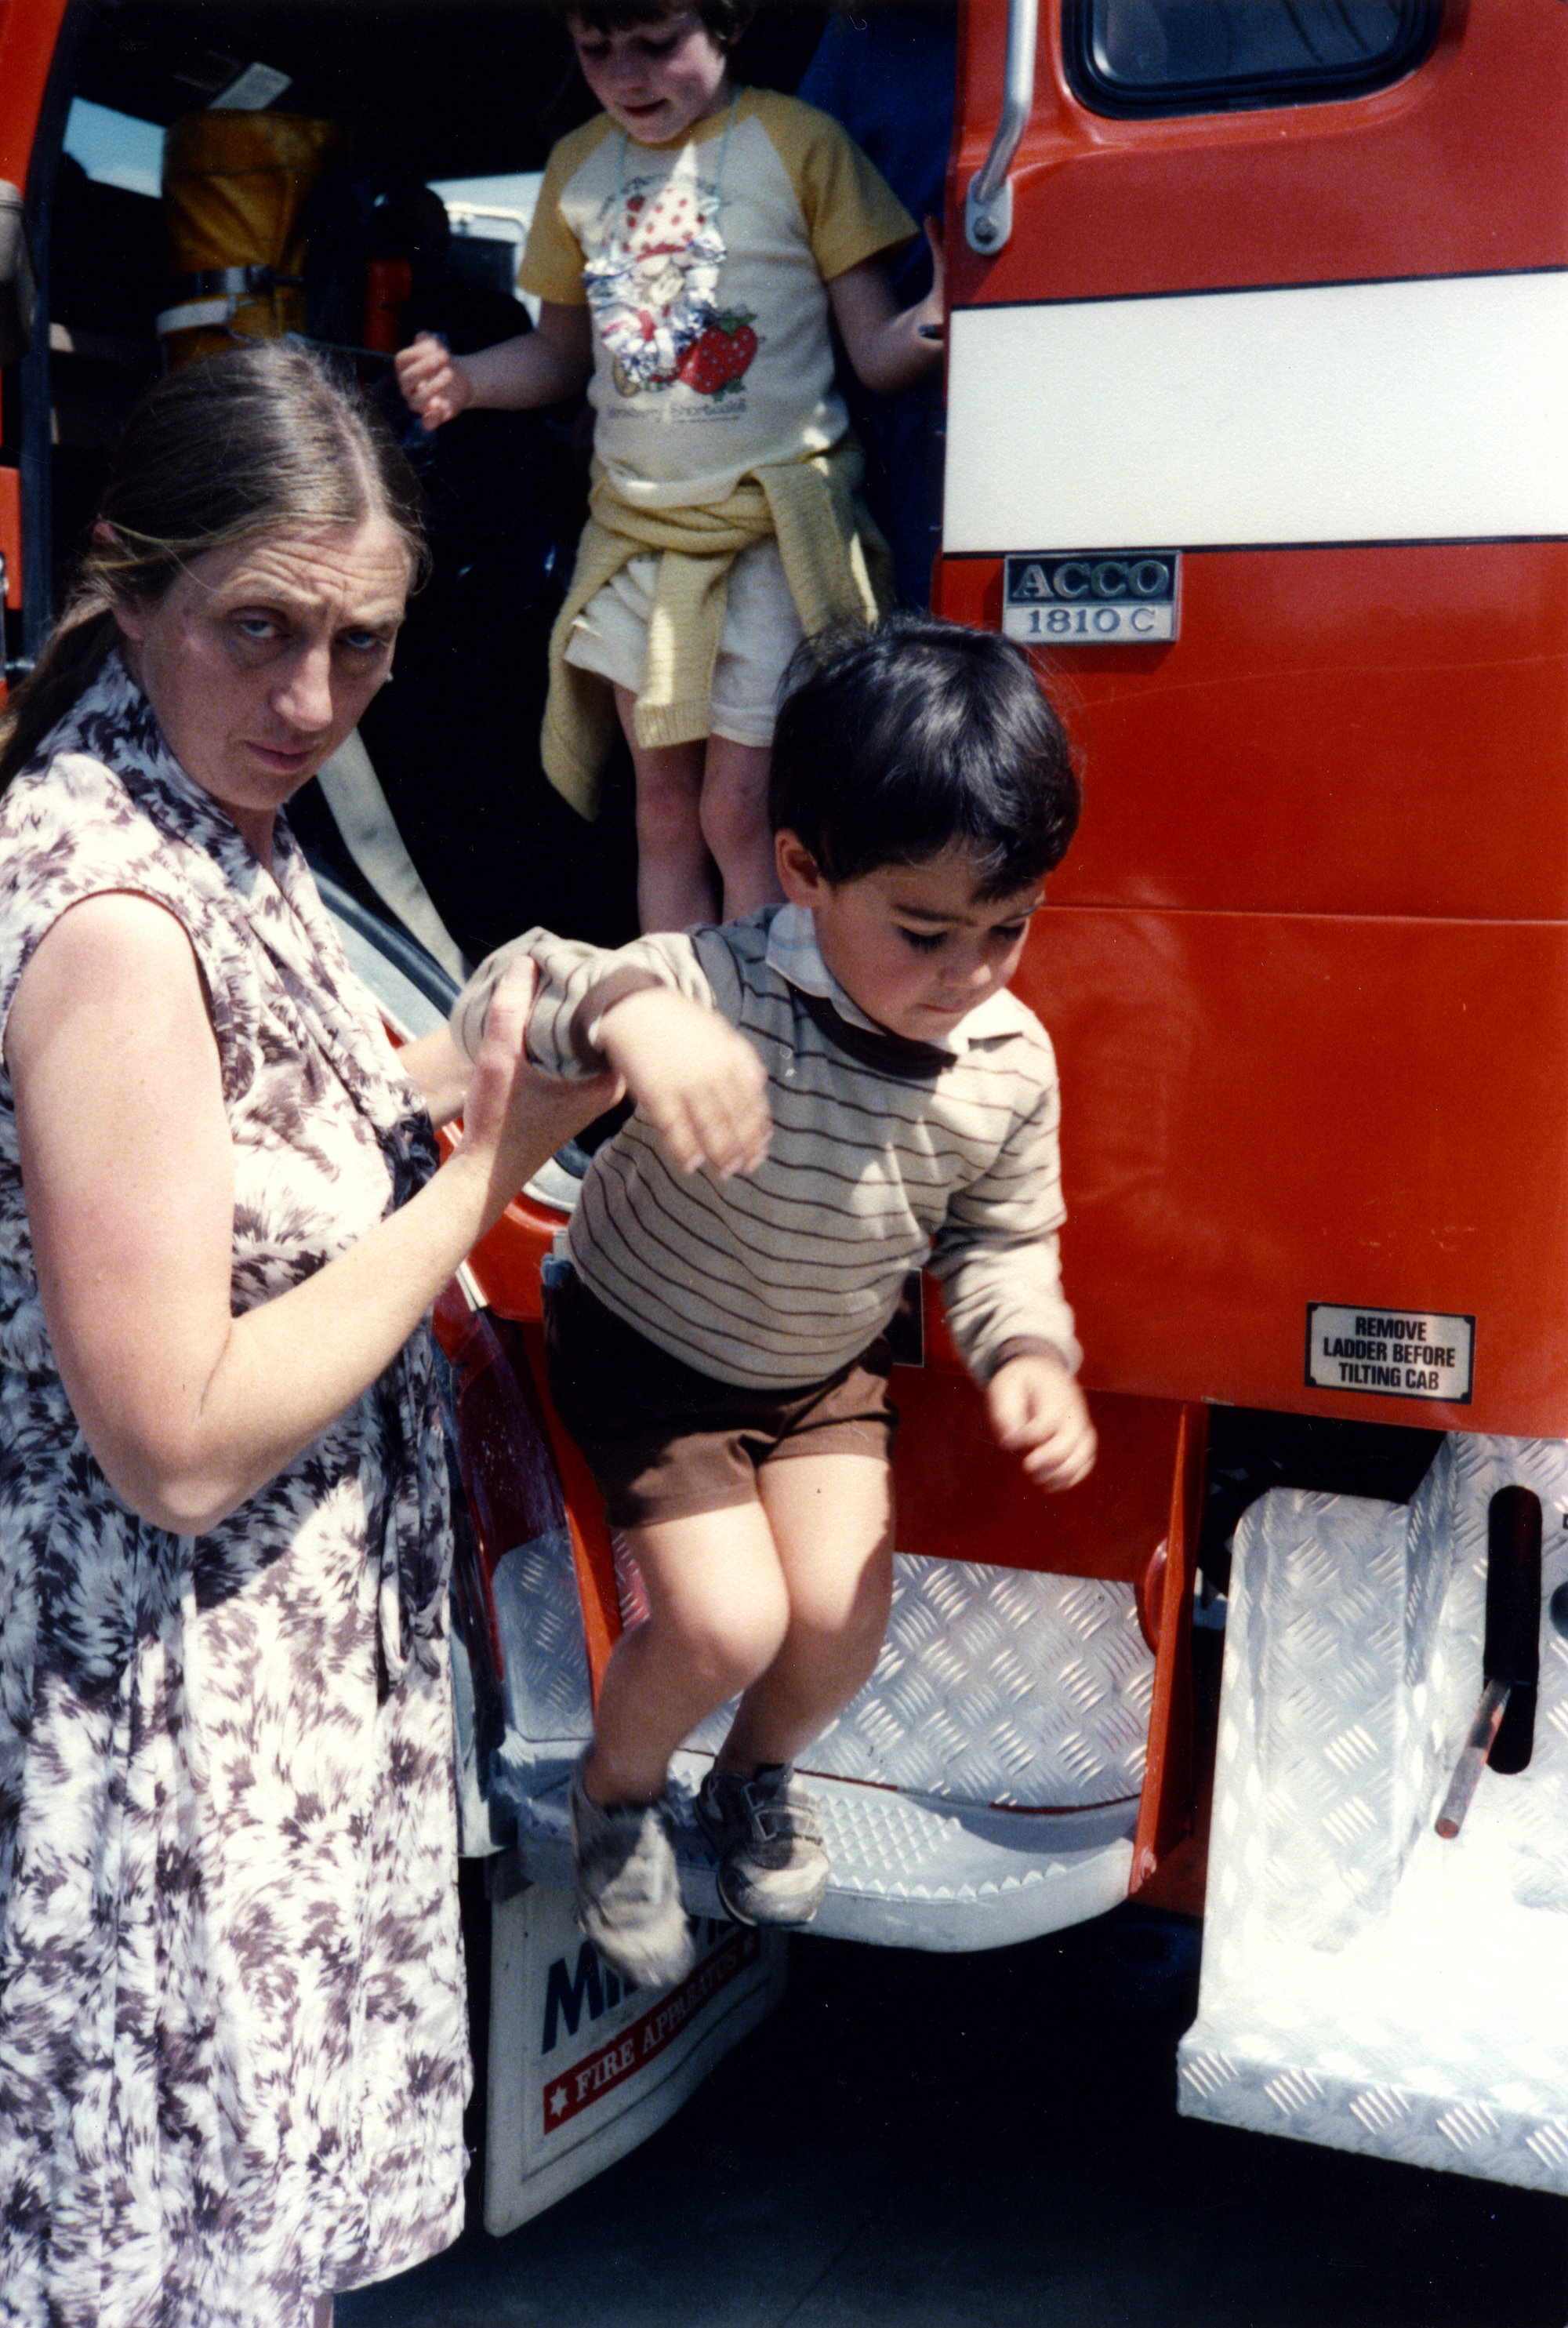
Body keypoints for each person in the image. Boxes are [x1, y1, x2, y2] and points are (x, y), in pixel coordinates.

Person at [0, 343, 613, 2328]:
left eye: (359, 647)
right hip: (160, 1748)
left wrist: (495, 1053)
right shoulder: (111, 913)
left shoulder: (214, 811)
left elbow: (277, 1135)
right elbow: (172, 1434)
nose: (310, 702)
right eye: (259, 630)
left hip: (264, 1717)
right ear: (130, 576)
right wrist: (477, 1175)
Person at [448, 614, 1098, 1988]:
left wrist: (1028, 1343)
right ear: (803, 869)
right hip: (648, 1346)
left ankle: (752, 1775)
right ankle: (618, 1796)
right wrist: (632, 1016)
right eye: (924, 929)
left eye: (1009, 929)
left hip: (815, 1368)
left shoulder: (1006, 1059)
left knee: (842, 1618)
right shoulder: (717, 985)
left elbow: (1001, 1237)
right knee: (727, 1619)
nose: (968, 970)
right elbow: (526, 983)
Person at [394, 0, 944, 935]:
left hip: (767, 531)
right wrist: (469, 382)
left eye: (658, 46)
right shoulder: (577, 168)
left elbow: (873, 352)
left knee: (740, 811)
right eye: (596, 49)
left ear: (728, 23)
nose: (628, 76)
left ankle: (750, 1032)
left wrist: (940, 315)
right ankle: (676, 1029)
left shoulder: (799, 143)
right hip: (638, 536)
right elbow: (562, 356)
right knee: (659, 812)